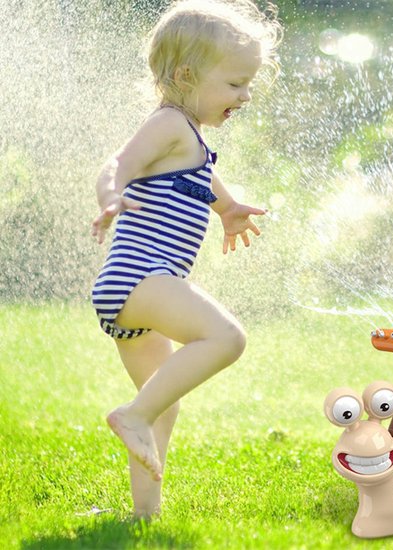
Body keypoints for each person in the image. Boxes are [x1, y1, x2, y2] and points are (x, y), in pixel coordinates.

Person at [90, 0, 281, 518]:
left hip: (135, 290)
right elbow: (118, 163)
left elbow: (210, 186)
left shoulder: (190, 138)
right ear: (186, 76)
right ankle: (131, 416)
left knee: (163, 404)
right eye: (236, 84)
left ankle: (142, 516)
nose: (245, 96)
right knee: (226, 337)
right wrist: (110, 195)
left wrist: (230, 210)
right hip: (140, 279)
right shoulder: (171, 124)